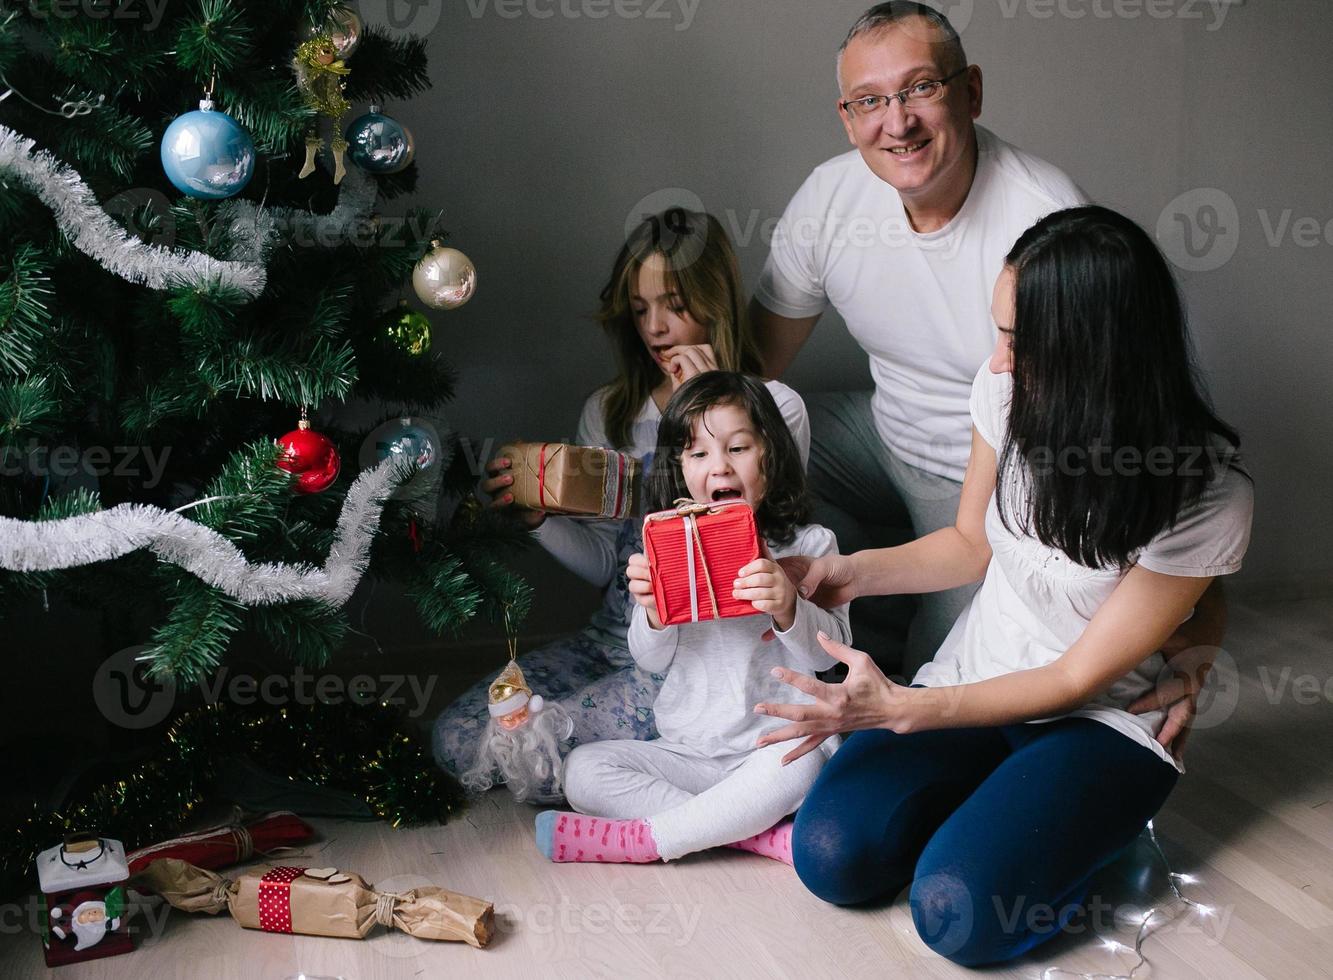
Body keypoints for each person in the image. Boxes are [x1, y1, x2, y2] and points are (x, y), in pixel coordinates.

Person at [754, 206, 1254, 965]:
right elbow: (965, 546)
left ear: (1097, 351)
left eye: (1019, 342)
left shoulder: (1204, 495)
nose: (996, 361)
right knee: (831, 856)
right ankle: (1002, 807)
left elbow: (1074, 675)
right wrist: (844, 575)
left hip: (1100, 719)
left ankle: (1081, 835)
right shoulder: (1005, 398)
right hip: (978, 677)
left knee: (956, 915)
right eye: (999, 331)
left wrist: (905, 707)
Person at [752, 2, 1092, 676]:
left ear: (970, 91)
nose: (897, 121)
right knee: (749, 441)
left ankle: (900, 625)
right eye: (870, 100)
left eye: (920, 88)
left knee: (935, 683)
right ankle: (857, 611)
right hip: (880, 438)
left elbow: (1093, 427)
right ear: (847, 119)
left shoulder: (1046, 217)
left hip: (994, 483)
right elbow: (750, 369)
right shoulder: (828, 198)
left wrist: (1178, 616)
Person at [432, 209, 811, 798]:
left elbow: (760, 528)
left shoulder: (774, 408)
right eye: (640, 309)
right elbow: (609, 566)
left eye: (675, 304)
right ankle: (665, 773)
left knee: (543, 752)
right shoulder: (609, 411)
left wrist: (699, 406)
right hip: (614, 637)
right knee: (460, 737)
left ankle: (693, 773)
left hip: (704, 655)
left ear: (715, 301)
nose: (656, 328)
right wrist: (541, 521)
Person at [533, 372, 850, 863]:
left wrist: (790, 608)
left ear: (771, 454)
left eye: (738, 448)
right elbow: (651, 661)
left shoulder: (811, 545)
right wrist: (655, 616)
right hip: (690, 752)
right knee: (583, 770)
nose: (719, 466)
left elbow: (834, 658)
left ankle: (647, 842)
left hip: (773, 746)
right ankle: (754, 835)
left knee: (806, 762)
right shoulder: (667, 545)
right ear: (679, 469)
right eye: (698, 453)